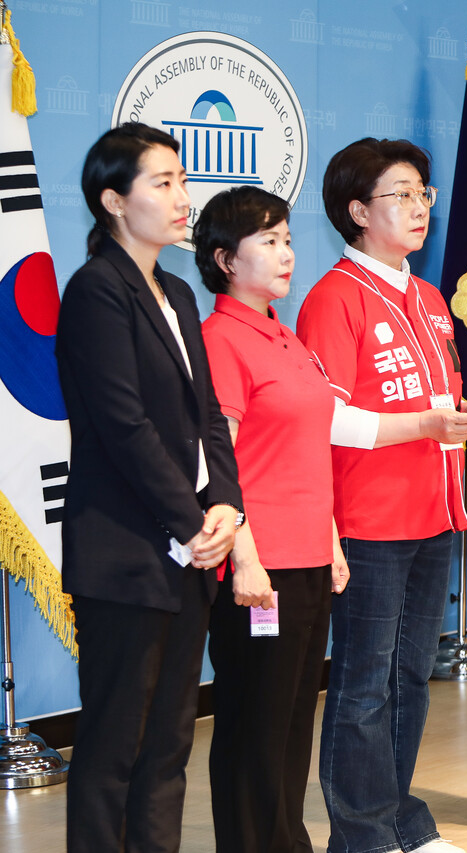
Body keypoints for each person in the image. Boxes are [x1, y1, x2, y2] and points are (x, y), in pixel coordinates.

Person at [296, 138, 467, 853]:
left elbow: (436, 403)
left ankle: (399, 822)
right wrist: (425, 424)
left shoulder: (427, 298)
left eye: (424, 193)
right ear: (358, 211)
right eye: (402, 195)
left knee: (410, 679)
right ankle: (360, 834)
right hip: (369, 520)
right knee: (364, 684)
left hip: (435, 512)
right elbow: (328, 418)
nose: (420, 207)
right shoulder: (334, 298)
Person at [55, 122, 242, 853]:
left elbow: (207, 417)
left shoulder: (179, 293)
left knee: (168, 743)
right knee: (113, 748)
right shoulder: (96, 291)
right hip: (126, 554)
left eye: (182, 180)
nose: (181, 196)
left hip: (188, 552)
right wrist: (192, 525)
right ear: (113, 200)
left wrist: (224, 505)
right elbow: (123, 427)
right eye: (162, 183)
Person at [195, 186, 349, 853]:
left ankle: (287, 840)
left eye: (287, 239)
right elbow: (217, 459)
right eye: (268, 241)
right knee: (253, 721)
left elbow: (307, 449)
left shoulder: (287, 336)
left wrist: (332, 539)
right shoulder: (220, 339)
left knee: (290, 720)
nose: (286, 253)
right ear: (226, 259)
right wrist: (245, 557)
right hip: (260, 566)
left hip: (309, 556)